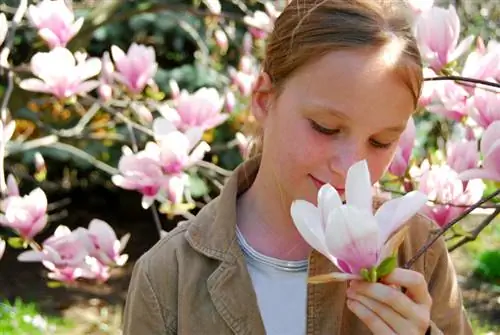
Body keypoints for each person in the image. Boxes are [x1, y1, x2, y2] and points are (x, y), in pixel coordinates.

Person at [122, 0, 473, 334]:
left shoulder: (418, 251)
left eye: (381, 142)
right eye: (325, 127)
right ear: (264, 99)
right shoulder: (169, 277)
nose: (350, 166)